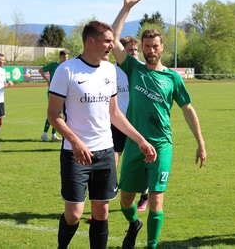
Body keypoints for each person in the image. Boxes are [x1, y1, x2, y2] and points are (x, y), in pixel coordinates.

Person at [47, 20, 157, 249]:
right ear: (91, 41)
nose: (111, 45)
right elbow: (53, 115)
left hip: (105, 151)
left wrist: (141, 140)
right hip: (75, 154)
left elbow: (115, 113)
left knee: (101, 211)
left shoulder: (109, 70)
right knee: (75, 213)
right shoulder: (66, 70)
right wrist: (75, 143)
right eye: (107, 40)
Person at [112, 0, 207, 248]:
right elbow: (112, 40)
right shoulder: (133, 68)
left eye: (155, 46)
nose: (151, 50)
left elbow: (188, 109)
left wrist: (200, 142)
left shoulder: (172, 78)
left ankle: (152, 245)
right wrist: (126, 8)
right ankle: (133, 224)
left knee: (156, 200)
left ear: (162, 47)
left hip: (162, 144)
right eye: (147, 46)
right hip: (135, 143)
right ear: (141, 48)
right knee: (125, 201)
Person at [114, 36, 150, 212]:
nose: (134, 53)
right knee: (112, 158)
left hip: (137, 123)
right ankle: (105, 197)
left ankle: (145, 194)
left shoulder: (142, 70)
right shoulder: (111, 71)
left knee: (142, 159)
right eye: (130, 50)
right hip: (117, 121)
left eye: (136, 50)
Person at [39, 50, 69, 142]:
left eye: (67, 57)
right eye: (64, 57)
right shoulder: (53, 65)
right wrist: (47, 80)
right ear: (60, 57)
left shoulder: (68, 66)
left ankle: (53, 135)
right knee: (53, 112)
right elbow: (40, 70)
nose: (66, 59)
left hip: (64, 92)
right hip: (53, 92)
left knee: (59, 113)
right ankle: (44, 134)